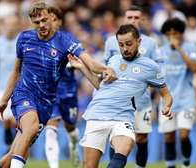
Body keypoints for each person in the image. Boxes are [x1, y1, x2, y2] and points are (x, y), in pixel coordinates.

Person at [0, 2, 116, 168]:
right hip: (24, 94)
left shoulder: (65, 41)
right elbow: (16, 72)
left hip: (46, 102)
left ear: (51, 17)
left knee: (14, 152)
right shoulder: (24, 39)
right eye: (37, 22)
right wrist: (3, 100)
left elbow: (91, 64)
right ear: (31, 22)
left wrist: (106, 69)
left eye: (44, 20)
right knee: (31, 128)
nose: (42, 25)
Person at [68, 24, 172, 168]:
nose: (125, 48)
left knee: (125, 145)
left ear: (139, 42)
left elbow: (166, 94)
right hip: (97, 114)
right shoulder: (114, 60)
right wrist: (81, 67)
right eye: (121, 45)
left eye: (129, 44)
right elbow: (100, 87)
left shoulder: (150, 67)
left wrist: (167, 106)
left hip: (123, 118)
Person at [104, 5, 162, 168]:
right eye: (130, 17)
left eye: (137, 17)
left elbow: (158, 69)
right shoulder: (111, 41)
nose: (133, 20)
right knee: (116, 138)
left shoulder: (150, 43)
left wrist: (157, 91)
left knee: (142, 138)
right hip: (118, 101)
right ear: (124, 19)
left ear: (142, 20)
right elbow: (104, 67)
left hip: (142, 101)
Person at [159, 18, 196, 168]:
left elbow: (195, 69)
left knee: (183, 135)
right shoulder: (161, 51)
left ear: (181, 33)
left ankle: (186, 162)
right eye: (169, 34)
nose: (172, 36)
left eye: (175, 33)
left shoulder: (191, 47)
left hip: (186, 99)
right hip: (167, 101)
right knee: (169, 136)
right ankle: (170, 165)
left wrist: (180, 50)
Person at [44, 6, 80, 168]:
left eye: (54, 19)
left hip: (68, 92)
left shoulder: (68, 40)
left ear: (59, 22)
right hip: (50, 92)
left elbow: (81, 61)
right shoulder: (40, 41)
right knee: (51, 130)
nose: (50, 22)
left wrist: (72, 65)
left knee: (70, 127)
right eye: (47, 19)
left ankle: (74, 146)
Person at [0, 15, 20, 149]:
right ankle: (10, 142)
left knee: (16, 120)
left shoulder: (21, 41)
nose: (10, 28)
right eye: (8, 25)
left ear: (17, 26)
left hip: (19, 86)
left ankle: (14, 147)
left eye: (13, 24)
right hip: (2, 88)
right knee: (7, 120)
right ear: (3, 26)